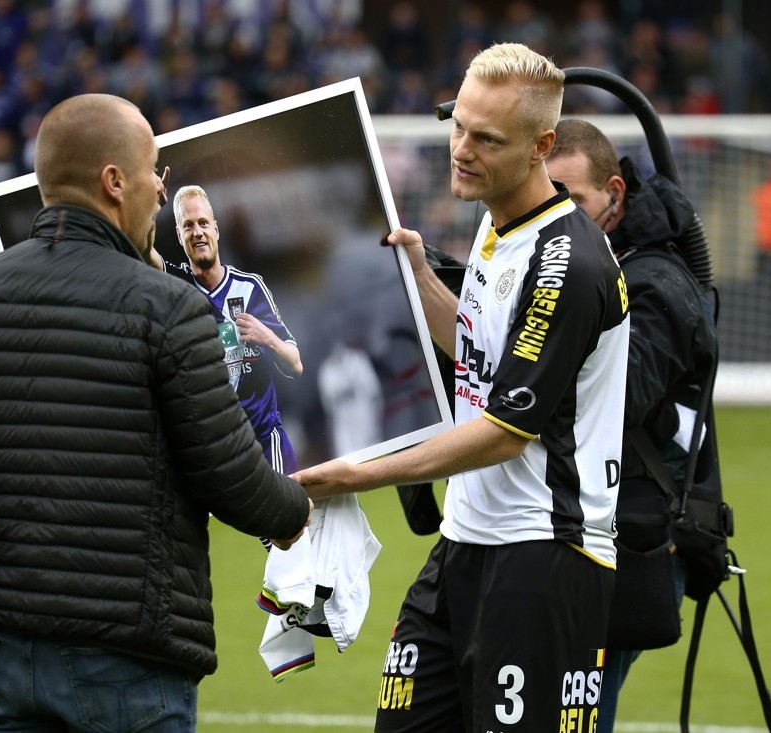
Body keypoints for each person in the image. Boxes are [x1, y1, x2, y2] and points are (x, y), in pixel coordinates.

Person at [0, 93, 312, 733]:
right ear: (114, 181)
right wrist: (294, 511)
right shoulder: (169, 307)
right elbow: (228, 473)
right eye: (155, 170)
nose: (160, 187)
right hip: (128, 655)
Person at [293, 43, 631, 732]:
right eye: (459, 127)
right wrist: (421, 279)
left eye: (486, 138)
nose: (461, 149)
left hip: (545, 555)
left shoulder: (568, 262)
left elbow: (507, 431)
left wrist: (358, 473)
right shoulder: (493, 220)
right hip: (465, 541)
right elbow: (483, 353)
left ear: (541, 146)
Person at [546, 118, 719, 731]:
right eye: (543, 198)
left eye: (569, 199)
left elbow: (612, 405)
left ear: (614, 196)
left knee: (574, 716)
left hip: (634, 538)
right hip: (582, 528)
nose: (554, 218)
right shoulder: (577, 266)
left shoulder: (659, 285)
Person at [161, 184, 302, 474]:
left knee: (291, 517)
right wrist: (149, 203)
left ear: (216, 229)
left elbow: (296, 363)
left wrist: (269, 339)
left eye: (203, 223)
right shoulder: (177, 287)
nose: (197, 232)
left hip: (265, 442)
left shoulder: (250, 288)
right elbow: (140, 249)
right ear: (179, 235)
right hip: (218, 452)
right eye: (188, 226)